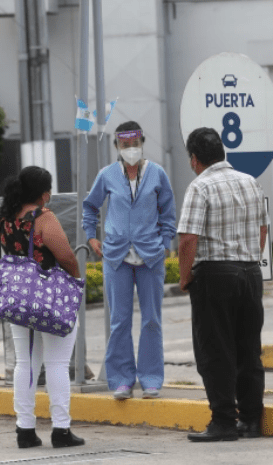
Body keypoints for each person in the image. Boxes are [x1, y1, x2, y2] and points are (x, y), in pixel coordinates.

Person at [177, 127, 268, 442]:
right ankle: (252, 420)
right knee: (248, 350)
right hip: (250, 273)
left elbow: (188, 239)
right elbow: (263, 228)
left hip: (215, 274)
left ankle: (224, 421)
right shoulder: (250, 181)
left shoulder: (200, 187)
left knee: (215, 350)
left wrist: (185, 277)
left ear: (195, 158)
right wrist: (250, 259)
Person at [83, 121, 177, 400]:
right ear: (117, 146)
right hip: (116, 256)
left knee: (152, 320)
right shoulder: (107, 175)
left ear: (142, 143)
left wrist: (165, 243)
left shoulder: (157, 173)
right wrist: (91, 237)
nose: (131, 149)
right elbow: (90, 206)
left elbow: (168, 212)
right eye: (125, 145)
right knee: (119, 321)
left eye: (135, 143)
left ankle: (151, 379)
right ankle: (122, 380)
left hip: (151, 256)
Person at [0, 166, 85, 449]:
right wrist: (76, 280)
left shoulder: (6, 219)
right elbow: (66, 256)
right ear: (44, 194)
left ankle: (25, 430)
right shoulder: (43, 218)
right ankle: (61, 429)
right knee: (57, 363)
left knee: (25, 363)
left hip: (19, 300)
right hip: (50, 300)